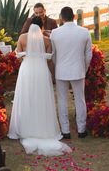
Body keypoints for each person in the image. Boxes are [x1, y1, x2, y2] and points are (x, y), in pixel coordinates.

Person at [8, 22, 70, 156]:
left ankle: (25, 126)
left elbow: (17, 55)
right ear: (41, 27)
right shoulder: (47, 40)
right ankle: (43, 127)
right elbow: (48, 59)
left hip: (27, 70)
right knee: (41, 98)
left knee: (26, 97)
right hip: (41, 71)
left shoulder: (22, 38)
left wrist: (27, 59)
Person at [50, 6, 93, 139]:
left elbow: (53, 55)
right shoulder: (84, 32)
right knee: (80, 100)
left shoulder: (55, 33)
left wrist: (58, 66)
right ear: (74, 16)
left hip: (61, 70)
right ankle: (81, 130)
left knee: (62, 100)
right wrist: (84, 68)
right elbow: (88, 54)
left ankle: (65, 131)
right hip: (78, 70)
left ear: (61, 18)